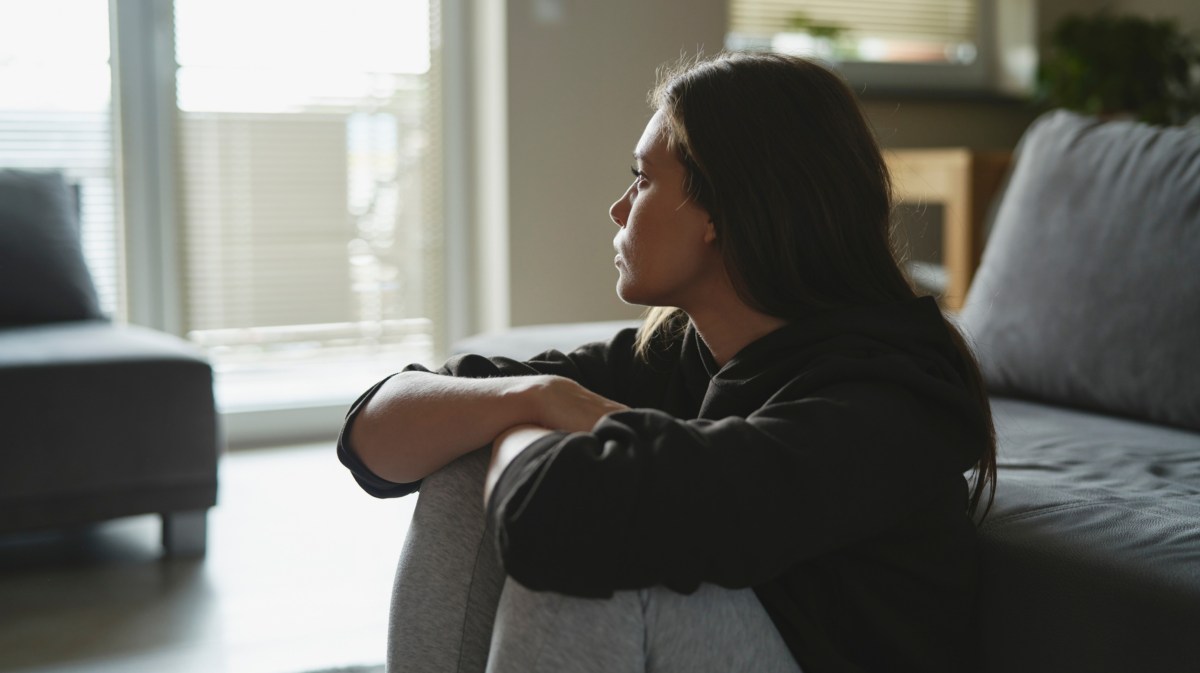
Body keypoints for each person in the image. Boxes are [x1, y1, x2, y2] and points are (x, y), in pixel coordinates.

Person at [337, 51, 997, 673]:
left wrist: (532, 418)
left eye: (643, 179)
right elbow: (373, 435)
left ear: (722, 209)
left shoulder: (882, 405)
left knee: (593, 564)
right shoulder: (689, 353)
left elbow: (552, 517)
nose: (619, 208)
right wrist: (535, 397)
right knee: (462, 459)